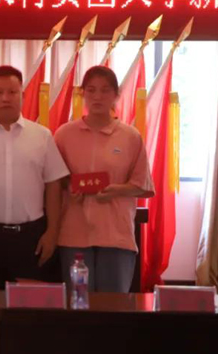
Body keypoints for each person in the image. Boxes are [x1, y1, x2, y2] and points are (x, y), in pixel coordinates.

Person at [0, 65, 70, 289]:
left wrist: (52, 233)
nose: (5, 98)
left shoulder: (42, 136)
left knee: (28, 305)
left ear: (22, 95)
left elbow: (54, 185)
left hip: (31, 237)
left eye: (12, 92)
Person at [55, 65, 154, 293]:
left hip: (116, 235)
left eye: (105, 90)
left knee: (114, 305)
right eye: (91, 90)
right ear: (82, 94)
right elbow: (55, 180)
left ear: (116, 95)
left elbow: (142, 185)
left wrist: (116, 190)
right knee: (78, 303)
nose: (97, 96)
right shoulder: (64, 135)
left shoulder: (130, 136)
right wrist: (70, 187)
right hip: (74, 234)